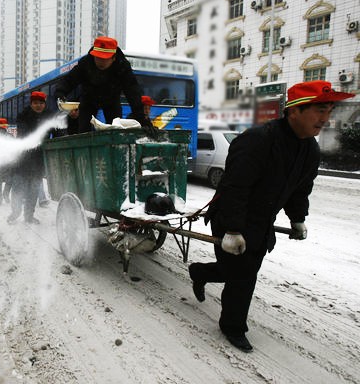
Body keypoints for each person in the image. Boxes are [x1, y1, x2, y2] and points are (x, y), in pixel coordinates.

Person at [187, 80, 355, 352]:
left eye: (329, 111)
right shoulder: (258, 140)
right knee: (244, 276)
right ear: (294, 111)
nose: (325, 119)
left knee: (240, 270)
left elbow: (300, 189)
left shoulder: (309, 149)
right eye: (319, 111)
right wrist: (231, 229)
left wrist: (297, 218)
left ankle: (200, 271)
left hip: (263, 221)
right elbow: (234, 187)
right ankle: (232, 327)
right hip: (233, 215)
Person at [54, 36, 152, 133]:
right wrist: (60, 92)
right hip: (88, 99)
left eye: (105, 58)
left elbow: (133, 92)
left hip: (112, 100)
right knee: (84, 130)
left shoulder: (122, 66)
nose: (100, 61)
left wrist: (142, 120)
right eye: (98, 57)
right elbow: (69, 80)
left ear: (113, 58)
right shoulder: (86, 62)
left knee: (116, 129)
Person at [7, 91, 49, 225]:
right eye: (35, 103)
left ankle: (29, 216)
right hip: (22, 162)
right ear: (31, 104)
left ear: (44, 104)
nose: (38, 106)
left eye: (41, 103)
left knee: (34, 191)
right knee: (18, 189)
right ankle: (15, 212)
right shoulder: (23, 116)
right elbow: (24, 134)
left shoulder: (48, 117)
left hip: (38, 162)